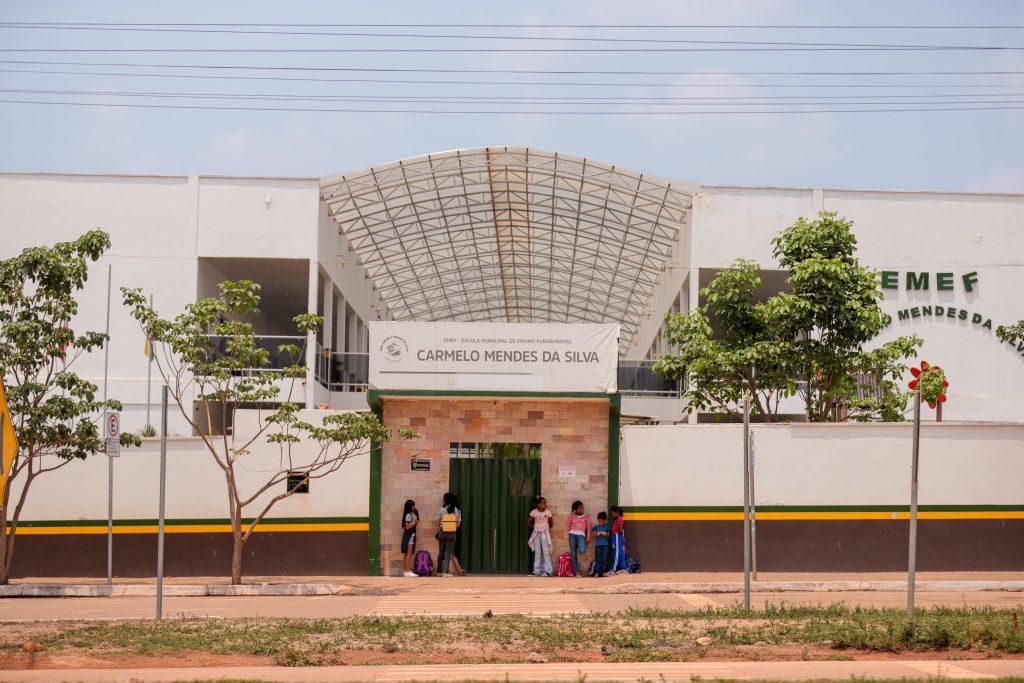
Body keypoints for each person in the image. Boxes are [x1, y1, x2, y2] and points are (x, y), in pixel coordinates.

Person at [527, 496, 555, 576]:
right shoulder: (534, 512)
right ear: (539, 504)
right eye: (544, 503)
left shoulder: (548, 512)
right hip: (536, 534)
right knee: (537, 552)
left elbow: (551, 523)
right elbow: (528, 522)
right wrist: (535, 527)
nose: (545, 505)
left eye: (545, 503)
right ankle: (536, 571)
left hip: (544, 534)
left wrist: (545, 529)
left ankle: (548, 571)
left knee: (546, 552)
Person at [437, 492, 461, 577]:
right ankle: (446, 572)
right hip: (451, 534)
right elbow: (458, 524)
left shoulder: (442, 509)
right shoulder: (456, 510)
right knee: (448, 552)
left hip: (442, 532)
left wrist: (442, 526)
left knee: (441, 552)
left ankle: (439, 572)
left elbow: (438, 522)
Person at [567, 500, 591, 577]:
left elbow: (588, 528)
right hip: (572, 535)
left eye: (582, 508)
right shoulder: (572, 516)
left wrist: (588, 538)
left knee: (582, 550)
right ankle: (576, 572)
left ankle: (577, 545)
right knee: (573, 554)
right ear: (575, 510)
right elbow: (569, 526)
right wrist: (570, 533)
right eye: (580, 508)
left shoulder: (586, 517)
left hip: (581, 535)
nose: (582, 509)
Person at [400, 499, 419, 578]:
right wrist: (415, 523)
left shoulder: (407, 514)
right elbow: (407, 527)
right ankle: (407, 571)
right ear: (411, 506)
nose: (414, 507)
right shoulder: (408, 515)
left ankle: (405, 571)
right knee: (409, 553)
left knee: (406, 554)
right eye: (413, 505)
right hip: (409, 536)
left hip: (409, 535)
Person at [607, 505, 627, 575]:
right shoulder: (618, 519)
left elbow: (621, 529)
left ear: (617, 512)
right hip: (616, 537)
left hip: (616, 536)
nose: (612, 515)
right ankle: (624, 569)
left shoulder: (619, 519)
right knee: (621, 554)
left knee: (617, 554)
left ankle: (613, 570)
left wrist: (621, 535)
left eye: (612, 513)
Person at [591, 511, 611, 577]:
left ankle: (603, 572)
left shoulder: (607, 527)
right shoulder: (596, 527)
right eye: (599, 521)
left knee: (604, 559)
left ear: (605, 520)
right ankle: (597, 572)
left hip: (605, 545)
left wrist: (605, 534)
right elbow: (593, 536)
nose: (600, 523)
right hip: (598, 545)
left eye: (602, 521)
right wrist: (597, 534)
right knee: (598, 559)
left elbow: (608, 536)